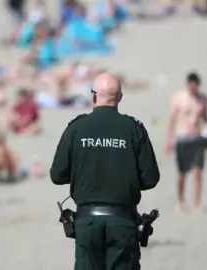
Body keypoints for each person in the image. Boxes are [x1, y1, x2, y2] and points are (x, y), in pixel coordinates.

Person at [50, 73, 160, 270]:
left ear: (93, 96)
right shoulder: (134, 128)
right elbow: (151, 178)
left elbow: (57, 175)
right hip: (123, 222)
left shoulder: (77, 128)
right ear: (120, 98)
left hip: (87, 223)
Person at [164, 72, 207, 213]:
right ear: (187, 85)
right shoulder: (179, 98)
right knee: (182, 175)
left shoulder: (203, 100)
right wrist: (168, 141)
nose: (193, 88)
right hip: (182, 138)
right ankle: (180, 200)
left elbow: (206, 118)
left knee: (197, 172)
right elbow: (171, 119)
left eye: (195, 86)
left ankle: (196, 204)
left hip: (197, 139)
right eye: (191, 85)